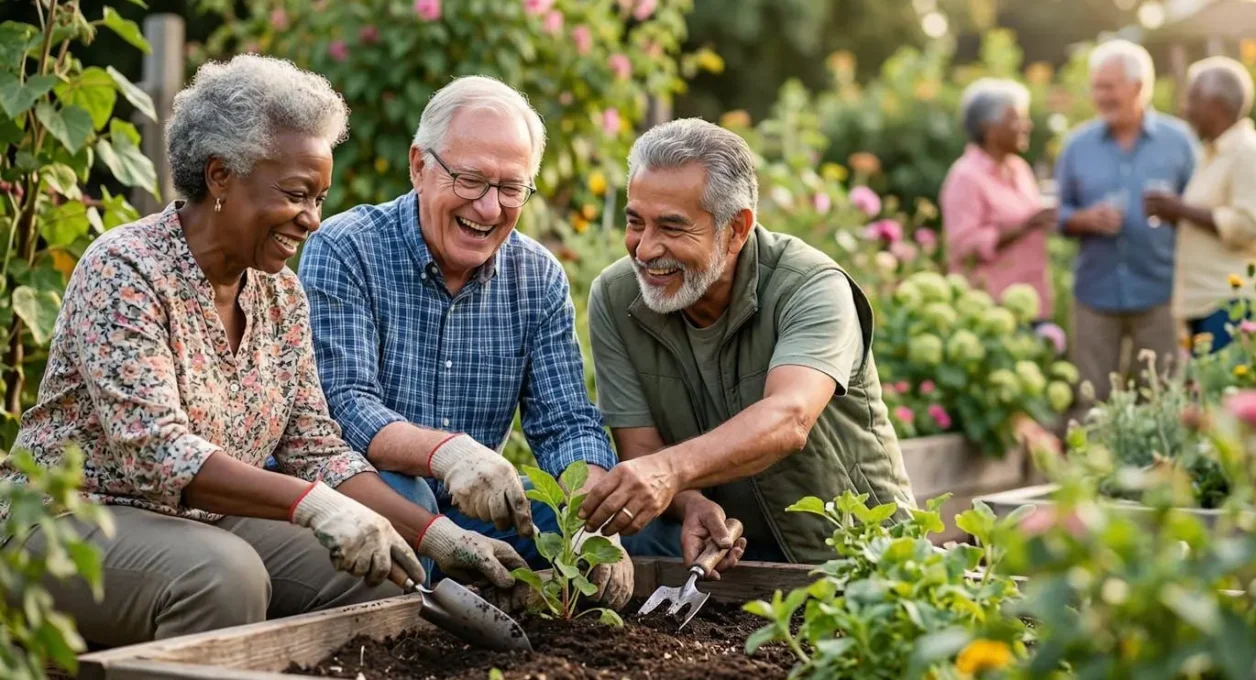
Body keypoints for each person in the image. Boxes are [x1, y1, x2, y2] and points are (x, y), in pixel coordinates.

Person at [0, 55, 524, 648]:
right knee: (223, 577)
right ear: (221, 175)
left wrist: (436, 537)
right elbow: (158, 454)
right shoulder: (126, 270)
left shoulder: (280, 296)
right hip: (68, 518)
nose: (313, 220)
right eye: (298, 194)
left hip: (196, 522)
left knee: (379, 575)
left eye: (321, 198)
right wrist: (311, 505)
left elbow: (315, 448)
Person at [299, 76, 632, 608]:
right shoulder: (347, 249)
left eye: (510, 189)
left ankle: (499, 603)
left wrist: (590, 512)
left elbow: (566, 419)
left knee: (593, 525)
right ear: (418, 167)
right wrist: (445, 453)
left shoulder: (537, 276)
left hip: (476, 510)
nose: (489, 208)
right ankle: (432, 613)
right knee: (400, 496)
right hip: (371, 490)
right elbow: (344, 405)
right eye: (471, 180)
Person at [578, 118, 916, 567]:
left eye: (672, 228)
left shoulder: (811, 286)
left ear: (736, 229)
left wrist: (671, 471)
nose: (644, 249)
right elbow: (642, 450)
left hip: (849, 550)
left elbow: (789, 418)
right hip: (730, 553)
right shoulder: (617, 295)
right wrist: (690, 502)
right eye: (636, 222)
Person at [1054, 39, 1198, 403]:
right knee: (1091, 401)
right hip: (1095, 294)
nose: (1099, 96)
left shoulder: (1179, 142)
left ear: (1138, 87)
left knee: (1162, 400)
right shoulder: (1077, 145)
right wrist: (1082, 219)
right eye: (1096, 87)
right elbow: (1059, 212)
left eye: (1108, 86)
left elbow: (1198, 208)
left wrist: (1176, 208)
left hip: (1160, 293)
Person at [1144, 56, 1256, 353]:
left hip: (1233, 307)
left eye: (1192, 98)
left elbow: (1251, 225)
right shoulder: (1213, 153)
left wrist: (1180, 209)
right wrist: (1176, 213)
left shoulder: (1247, 152)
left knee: (1225, 396)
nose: (1185, 108)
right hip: (1206, 304)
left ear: (1217, 105)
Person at [941, 78, 1056, 321]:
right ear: (988, 128)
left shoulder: (1019, 168)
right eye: (1017, 118)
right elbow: (963, 246)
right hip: (992, 310)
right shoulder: (965, 177)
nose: (1027, 125)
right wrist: (1026, 224)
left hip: (1032, 302)